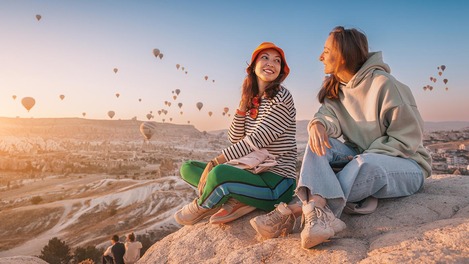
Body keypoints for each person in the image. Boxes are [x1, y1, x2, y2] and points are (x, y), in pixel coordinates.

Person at [250, 26, 432, 249]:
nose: (320, 57)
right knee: (320, 145)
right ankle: (317, 213)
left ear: (345, 54)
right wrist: (317, 125)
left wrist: (363, 156)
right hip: (361, 156)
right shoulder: (337, 89)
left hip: (407, 164)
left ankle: (298, 209)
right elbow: (326, 117)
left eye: (326, 50)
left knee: (366, 163)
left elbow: (407, 140)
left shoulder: (385, 84)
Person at [174, 42, 297, 225]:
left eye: (277, 61)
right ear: (253, 66)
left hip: (276, 181)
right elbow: (235, 138)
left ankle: (202, 206)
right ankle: (238, 199)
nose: (271, 63)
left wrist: (216, 162)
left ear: (281, 70)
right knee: (188, 167)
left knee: (219, 171)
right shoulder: (253, 100)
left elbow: (257, 139)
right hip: (250, 171)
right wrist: (242, 105)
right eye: (265, 58)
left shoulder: (281, 96)